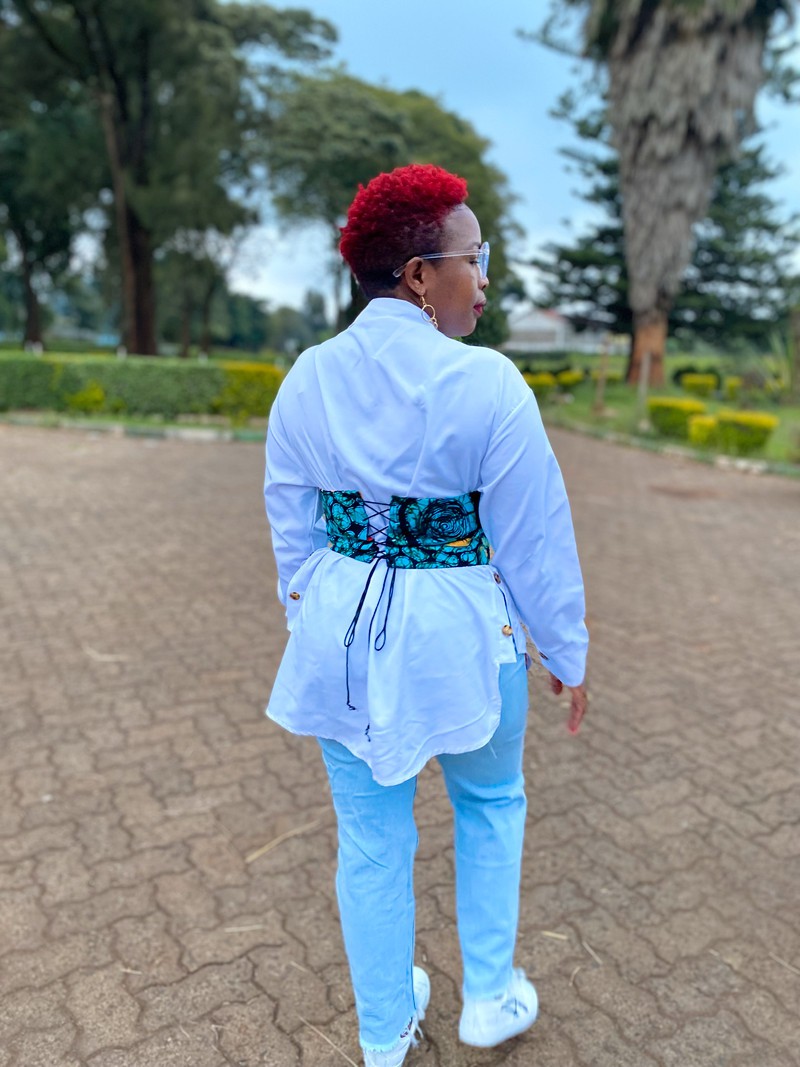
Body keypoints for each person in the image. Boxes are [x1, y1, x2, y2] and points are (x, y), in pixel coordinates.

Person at [264, 163, 588, 1067]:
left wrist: (309, 613)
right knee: (491, 800)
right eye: (474, 258)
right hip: (466, 632)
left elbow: (291, 522)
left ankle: (383, 1030)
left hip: (344, 634)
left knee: (370, 836)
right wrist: (565, 651)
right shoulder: (490, 385)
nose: (483, 278)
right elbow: (533, 540)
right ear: (417, 274)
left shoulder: (307, 377)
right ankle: (488, 995)